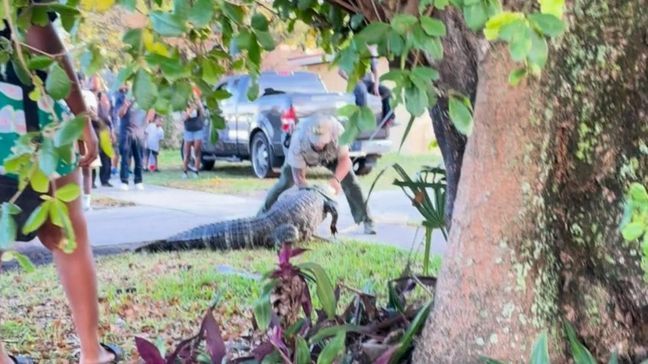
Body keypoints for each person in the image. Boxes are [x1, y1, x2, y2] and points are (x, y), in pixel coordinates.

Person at [0, 3, 122, 363]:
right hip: (24, 108)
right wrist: (81, 113)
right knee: (67, 234)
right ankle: (91, 352)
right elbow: (39, 35)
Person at [260, 114, 376, 234]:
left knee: (352, 182)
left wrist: (336, 181)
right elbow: (299, 178)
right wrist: (310, 195)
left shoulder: (339, 132)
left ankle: (367, 219)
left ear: (331, 135)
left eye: (322, 141)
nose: (319, 144)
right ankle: (262, 215)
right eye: (316, 141)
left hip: (331, 156)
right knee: (284, 183)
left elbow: (345, 160)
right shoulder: (298, 139)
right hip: (304, 157)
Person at [114, 85, 145, 191]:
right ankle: (124, 181)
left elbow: (149, 110)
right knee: (125, 157)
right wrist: (126, 104)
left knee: (139, 157)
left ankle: (138, 180)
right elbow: (119, 114)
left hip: (139, 131)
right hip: (126, 131)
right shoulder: (121, 97)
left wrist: (146, 124)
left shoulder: (141, 97)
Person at [89, 75, 115, 187]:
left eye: (98, 82)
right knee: (94, 155)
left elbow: (109, 115)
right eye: (94, 81)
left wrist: (111, 131)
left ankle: (105, 179)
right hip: (93, 129)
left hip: (104, 129)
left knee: (106, 156)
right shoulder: (87, 96)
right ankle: (92, 181)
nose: (96, 84)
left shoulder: (103, 97)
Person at [181, 98, 205, 178]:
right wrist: (191, 109)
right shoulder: (185, 106)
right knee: (187, 153)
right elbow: (184, 118)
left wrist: (199, 104)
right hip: (188, 130)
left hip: (198, 130)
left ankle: (196, 171)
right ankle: (185, 171)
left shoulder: (198, 106)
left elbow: (203, 114)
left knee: (197, 151)